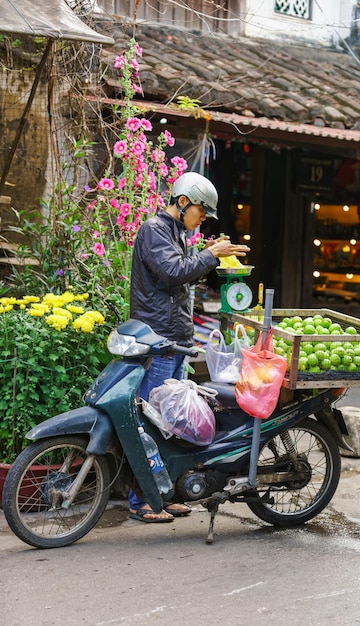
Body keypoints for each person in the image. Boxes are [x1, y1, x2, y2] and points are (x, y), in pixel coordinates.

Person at [128, 171, 250, 522]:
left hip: (174, 342)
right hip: (160, 342)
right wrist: (211, 254)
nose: (202, 220)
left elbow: (182, 270)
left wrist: (214, 255)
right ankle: (142, 500)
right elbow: (173, 272)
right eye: (200, 212)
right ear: (182, 202)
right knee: (150, 424)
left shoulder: (176, 233)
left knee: (171, 422)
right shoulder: (154, 229)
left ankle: (163, 495)